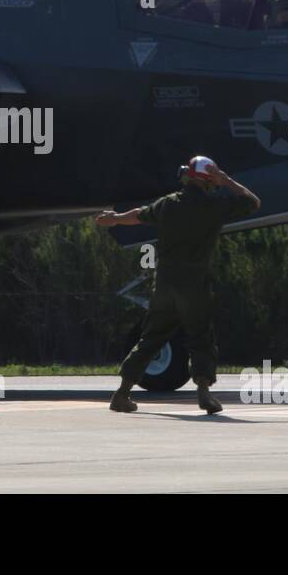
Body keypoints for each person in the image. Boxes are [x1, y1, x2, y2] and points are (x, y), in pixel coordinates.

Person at [95, 156, 261, 414]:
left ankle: (122, 393)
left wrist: (114, 218)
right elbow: (252, 202)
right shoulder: (215, 206)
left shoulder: (168, 204)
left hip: (164, 284)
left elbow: (138, 215)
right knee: (200, 338)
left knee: (151, 338)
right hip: (194, 284)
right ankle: (204, 393)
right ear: (209, 181)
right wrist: (226, 179)